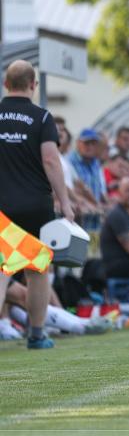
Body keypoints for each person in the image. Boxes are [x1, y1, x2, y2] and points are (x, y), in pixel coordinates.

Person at [0, 59, 74, 349]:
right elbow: (50, 160)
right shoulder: (42, 118)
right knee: (37, 271)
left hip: (2, 207)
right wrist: (65, 203)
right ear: (33, 85)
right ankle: (37, 333)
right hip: (36, 207)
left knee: (3, 268)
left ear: (6, 84)